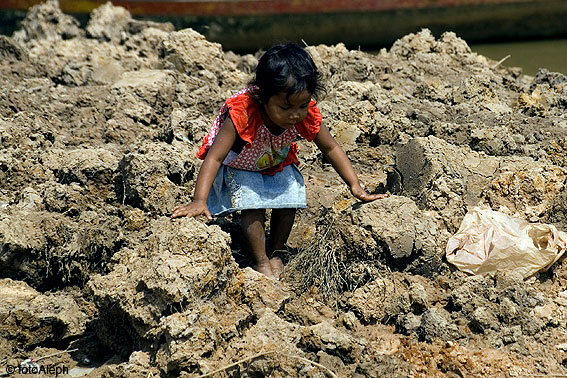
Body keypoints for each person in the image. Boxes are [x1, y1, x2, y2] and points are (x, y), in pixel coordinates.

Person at [171, 43, 387, 279]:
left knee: (290, 198)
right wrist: (198, 200)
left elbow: (331, 146)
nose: (294, 115)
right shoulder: (244, 113)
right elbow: (215, 157)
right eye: (285, 107)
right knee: (253, 205)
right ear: (263, 97)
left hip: (275, 160)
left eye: (302, 106)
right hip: (241, 163)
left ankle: (276, 252)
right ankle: (260, 260)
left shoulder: (303, 113)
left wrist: (354, 185)